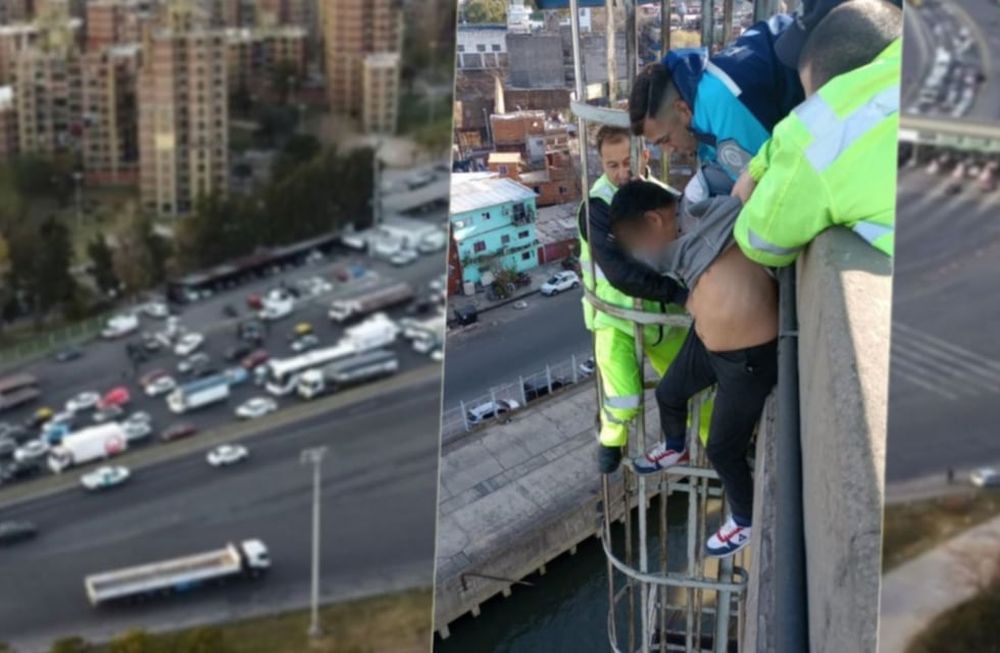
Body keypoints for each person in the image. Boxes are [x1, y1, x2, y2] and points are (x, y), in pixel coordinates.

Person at [609, 180, 779, 558]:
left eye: (641, 243)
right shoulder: (688, 238)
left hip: (748, 359)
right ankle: (675, 447)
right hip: (706, 345)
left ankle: (745, 518)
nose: (644, 256)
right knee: (669, 394)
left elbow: (748, 186)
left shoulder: (718, 219)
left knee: (721, 447)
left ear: (655, 220)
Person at [732, 0, 902, 264]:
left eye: (814, 102)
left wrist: (753, 179)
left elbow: (760, 241)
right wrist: (760, 163)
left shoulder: (826, 140)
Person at [577, 126, 688, 474]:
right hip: (615, 318)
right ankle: (610, 439)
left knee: (697, 388)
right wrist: (679, 294)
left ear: (644, 155)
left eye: (627, 162)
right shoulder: (596, 209)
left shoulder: (663, 196)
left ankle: (717, 447)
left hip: (662, 320)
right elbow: (620, 273)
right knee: (623, 397)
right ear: (601, 164)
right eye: (612, 166)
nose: (622, 173)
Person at [628, 15, 804, 183]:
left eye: (665, 140)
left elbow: (768, 187)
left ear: (682, 109)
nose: (667, 151)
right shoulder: (698, 90)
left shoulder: (718, 102)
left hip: (824, 68)